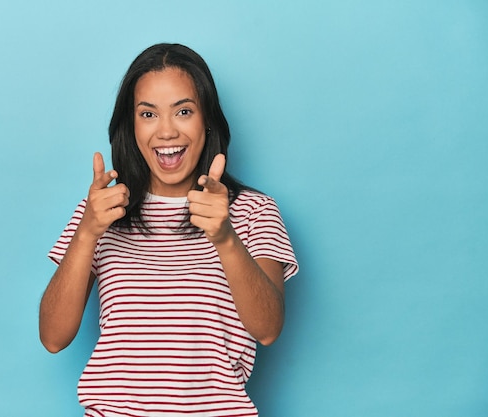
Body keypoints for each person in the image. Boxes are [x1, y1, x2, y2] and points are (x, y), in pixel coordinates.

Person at [39, 43, 298, 417]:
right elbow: (53, 337)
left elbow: (268, 328)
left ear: (206, 120)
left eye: (183, 111)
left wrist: (224, 236)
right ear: (131, 126)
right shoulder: (101, 213)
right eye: (148, 114)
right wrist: (86, 233)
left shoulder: (253, 211)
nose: (165, 131)